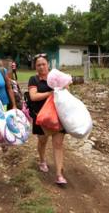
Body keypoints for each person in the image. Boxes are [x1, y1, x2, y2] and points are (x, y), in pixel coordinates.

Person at [27, 53, 67, 186]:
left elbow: (66, 89)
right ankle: (42, 160)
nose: (41, 67)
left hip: (58, 117)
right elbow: (33, 96)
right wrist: (50, 93)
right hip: (42, 117)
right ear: (35, 67)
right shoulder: (34, 80)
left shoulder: (56, 77)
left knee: (58, 144)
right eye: (38, 65)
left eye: (43, 64)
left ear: (48, 65)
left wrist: (64, 87)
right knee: (42, 141)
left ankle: (59, 175)